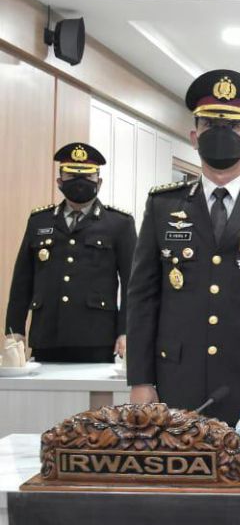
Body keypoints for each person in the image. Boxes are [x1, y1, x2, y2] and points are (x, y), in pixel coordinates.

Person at [127, 69, 240, 426]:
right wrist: (140, 378)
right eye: (211, 125)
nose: (221, 133)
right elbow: (142, 297)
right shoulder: (164, 205)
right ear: (194, 136)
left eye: (234, 127)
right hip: (176, 376)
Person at [5, 143, 136, 363]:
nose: (80, 182)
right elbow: (22, 281)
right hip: (46, 335)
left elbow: (132, 283)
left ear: (99, 182)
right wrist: (14, 330)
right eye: (72, 176)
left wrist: (126, 330)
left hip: (97, 337)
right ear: (59, 182)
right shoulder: (39, 221)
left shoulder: (119, 223)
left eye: (87, 176)